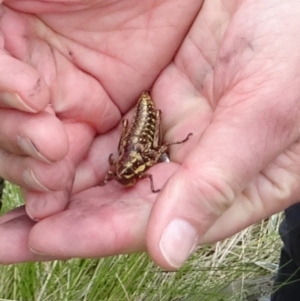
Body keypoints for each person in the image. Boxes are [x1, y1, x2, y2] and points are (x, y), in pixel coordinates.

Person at [0, 0, 300, 299]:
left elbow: (159, 147)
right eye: (123, 174)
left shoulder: (146, 162)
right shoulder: (126, 165)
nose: (124, 176)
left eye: (127, 173)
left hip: (147, 119)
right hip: (138, 128)